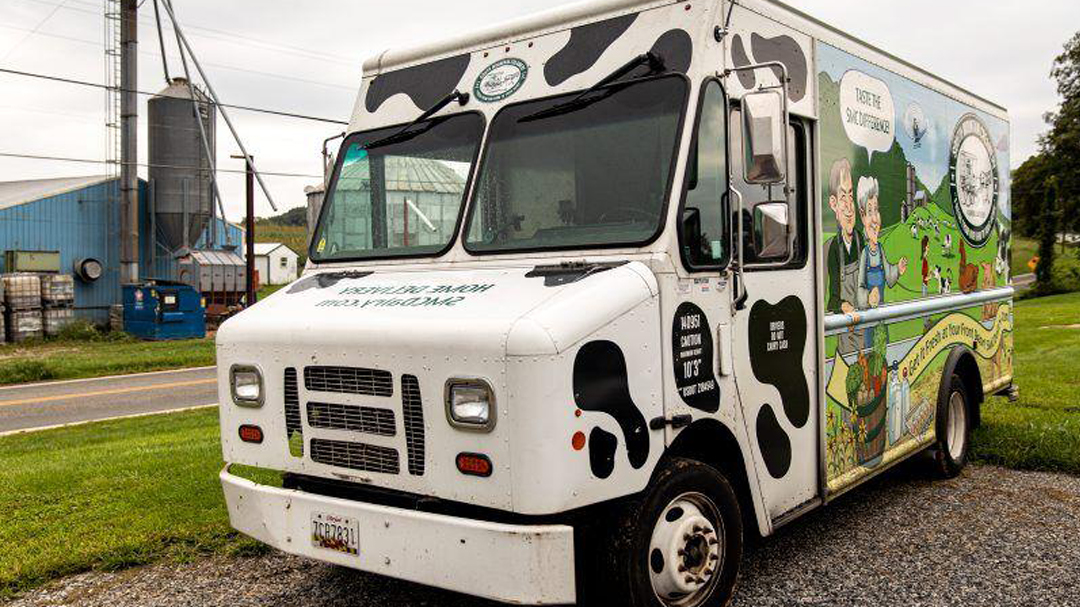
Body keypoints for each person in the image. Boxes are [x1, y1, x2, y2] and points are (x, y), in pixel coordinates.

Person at [856, 176, 908, 348]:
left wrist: (897, 270)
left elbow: (889, 277)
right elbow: (860, 286)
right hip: (869, 317)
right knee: (871, 347)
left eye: (876, 210)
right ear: (862, 216)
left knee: (883, 344)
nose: (875, 219)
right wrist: (868, 299)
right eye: (869, 211)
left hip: (883, 313)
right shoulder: (865, 254)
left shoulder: (880, 250)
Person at [825, 158, 863, 354]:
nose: (849, 206)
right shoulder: (833, 249)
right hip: (847, 332)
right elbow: (831, 299)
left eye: (851, 195)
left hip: (866, 325)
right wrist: (844, 306)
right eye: (842, 197)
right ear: (833, 204)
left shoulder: (861, 241)